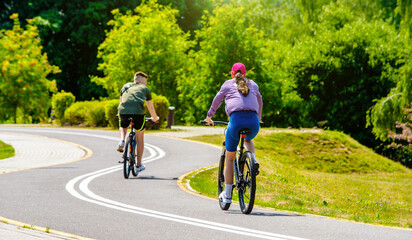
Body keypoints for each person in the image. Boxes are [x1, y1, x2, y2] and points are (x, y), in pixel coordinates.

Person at [204, 62, 263, 204]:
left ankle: (228, 195)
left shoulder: (227, 84)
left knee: (230, 158)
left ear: (232, 73)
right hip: (253, 122)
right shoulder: (253, 84)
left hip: (235, 121)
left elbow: (217, 100)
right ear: (245, 74)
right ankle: (253, 160)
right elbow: (260, 100)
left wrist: (209, 116)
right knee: (248, 139)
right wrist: (258, 118)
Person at [117, 71, 159, 173]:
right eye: (145, 81)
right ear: (140, 80)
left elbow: (121, 101)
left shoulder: (125, 86)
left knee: (123, 126)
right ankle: (139, 165)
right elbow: (150, 106)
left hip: (123, 111)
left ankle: (122, 140)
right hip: (138, 113)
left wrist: (119, 114)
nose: (146, 84)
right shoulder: (145, 89)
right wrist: (154, 118)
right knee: (140, 138)